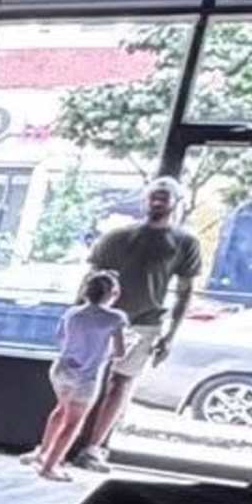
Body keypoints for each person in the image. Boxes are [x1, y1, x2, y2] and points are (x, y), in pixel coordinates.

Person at [74, 176, 203, 465]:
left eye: (164, 198)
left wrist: (170, 336)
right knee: (82, 379)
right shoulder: (116, 236)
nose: (157, 202)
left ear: (175, 203)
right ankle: (63, 442)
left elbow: (185, 292)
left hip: (145, 322)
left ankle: (93, 447)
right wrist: (77, 316)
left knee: (122, 381)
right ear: (145, 200)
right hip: (101, 318)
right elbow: (90, 279)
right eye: (153, 196)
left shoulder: (184, 242)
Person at [29, 271, 127, 481]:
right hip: (85, 378)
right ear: (114, 293)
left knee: (60, 410)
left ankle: (43, 453)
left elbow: (61, 338)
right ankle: (50, 466)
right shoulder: (115, 318)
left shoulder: (72, 313)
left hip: (61, 370)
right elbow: (119, 353)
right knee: (73, 423)